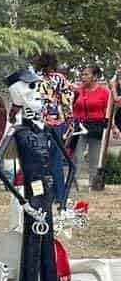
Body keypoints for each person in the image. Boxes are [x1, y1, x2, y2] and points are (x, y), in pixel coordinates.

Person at [33, 52, 74, 204]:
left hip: (37, 122)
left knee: (38, 159)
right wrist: (70, 121)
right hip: (57, 122)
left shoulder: (33, 79)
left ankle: (40, 193)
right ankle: (60, 195)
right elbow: (66, 101)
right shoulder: (59, 78)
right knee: (56, 160)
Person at [73, 64, 111, 190]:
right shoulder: (78, 91)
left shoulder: (104, 92)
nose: (83, 77)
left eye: (86, 74)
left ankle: (94, 184)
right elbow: (72, 108)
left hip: (97, 126)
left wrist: (113, 127)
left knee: (95, 156)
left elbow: (108, 111)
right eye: (82, 74)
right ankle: (73, 183)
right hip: (80, 126)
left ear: (95, 77)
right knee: (77, 154)